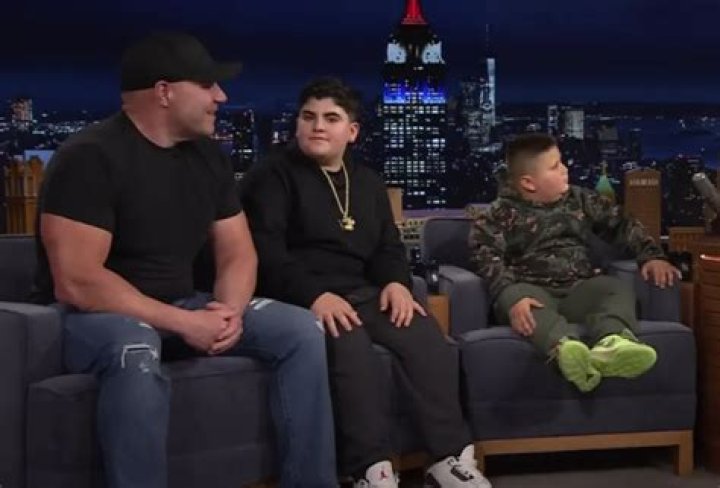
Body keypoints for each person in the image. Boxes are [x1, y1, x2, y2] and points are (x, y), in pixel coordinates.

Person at [33, 32, 336, 488]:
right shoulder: (89, 158)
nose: (221, 96)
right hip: (91, 318)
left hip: (181, 305)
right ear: (164, 92)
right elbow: (78, 281)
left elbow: (237, 251)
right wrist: (183, 322)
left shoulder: (207, 158)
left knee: (301, 329)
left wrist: (228, 312)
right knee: (135, 346)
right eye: (208, 84)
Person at [241, 77, 491, 488]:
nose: (318, 126)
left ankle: (447, 458)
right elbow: (265, 252)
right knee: (350, 345)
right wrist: (314, 296)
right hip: (300, 296)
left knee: (423, 332)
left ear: (352, 131)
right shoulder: (271, 175)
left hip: (362, 292)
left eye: (331, 118)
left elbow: (387, 246)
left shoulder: (368, 182)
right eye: (308, 116)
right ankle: (371, 469)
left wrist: (396, 283)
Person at [470, 132, 681, 393]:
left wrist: (652, 256)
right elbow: (485, 255)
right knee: (518, 300)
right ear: (529, 183)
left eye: (561, 162)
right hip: (530, 290)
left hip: (577, 289)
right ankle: (565, 348)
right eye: (554, 166)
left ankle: (612, 342)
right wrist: (509, 294)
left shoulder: (580, 200)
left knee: (614, 288)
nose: (565, 170)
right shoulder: (498, 214)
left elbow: (622, 225)